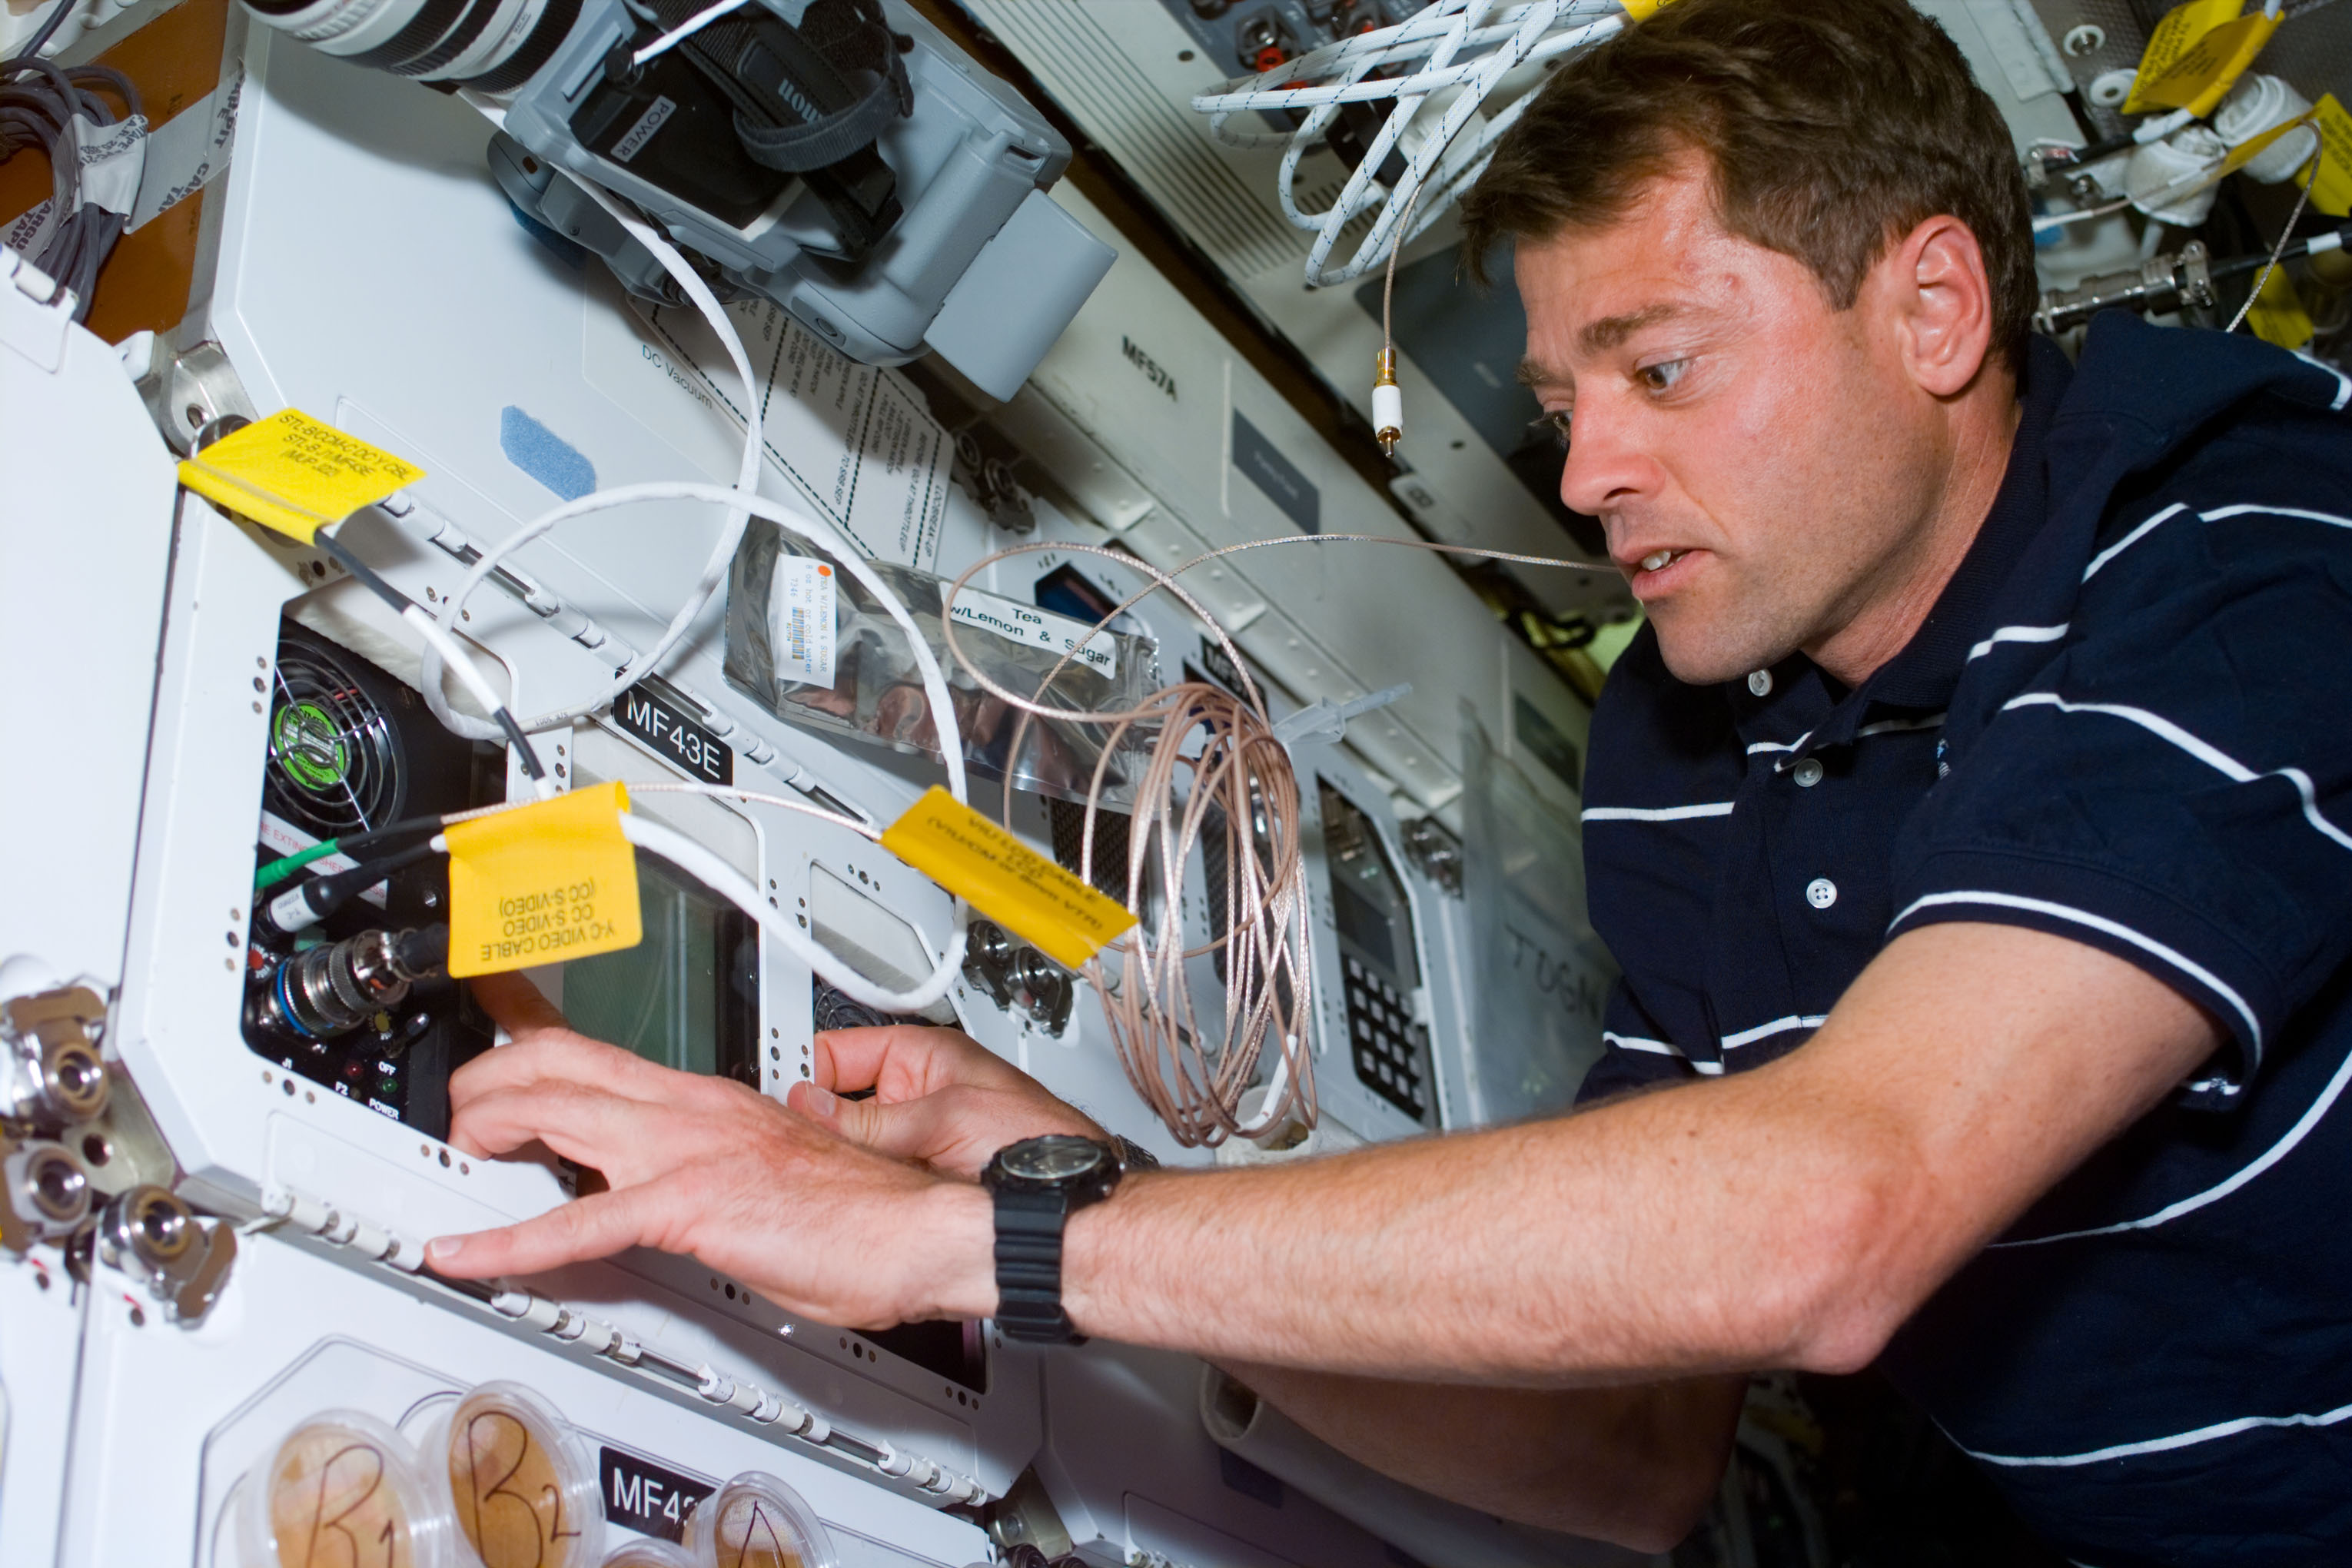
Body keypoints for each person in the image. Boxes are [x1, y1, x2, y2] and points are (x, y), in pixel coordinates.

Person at [424, 0, 2352, 1560]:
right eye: (1562, 407)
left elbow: (1823, 1225)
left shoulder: (2249, 545)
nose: (1588, 473)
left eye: (1659, 371)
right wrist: (1070, 1193)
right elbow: (1633, 1459)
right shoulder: (1684, 747)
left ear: (1933, 311)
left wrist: (958, 1245)